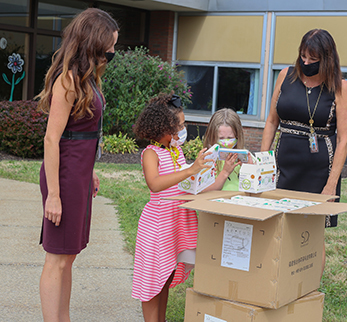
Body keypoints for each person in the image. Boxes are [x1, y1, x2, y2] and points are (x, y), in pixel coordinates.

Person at [36, 8, 118, 321]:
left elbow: (82, 132)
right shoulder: (68, 80)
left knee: (68, 257)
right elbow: (52, 139)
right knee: (56, 258)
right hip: (65, 176)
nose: (111, 52)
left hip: (79, 175)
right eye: (109, 46)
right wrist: (53, 195)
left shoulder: (87, 79)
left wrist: (91, 170)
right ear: (93, 42)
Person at [131, 93, 214, 322]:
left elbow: (184, 183)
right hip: (158, 226)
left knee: (165, 277)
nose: (182, 129)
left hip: (175, 224)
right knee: (152, 280)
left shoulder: (175, 152)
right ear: (162, 126)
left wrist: (203, 173)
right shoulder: (151, 153)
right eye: (179, 125)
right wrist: (189, 170)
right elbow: (155, 184)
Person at [261, 28, 347, 228]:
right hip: (283, 164)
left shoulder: (341, 88)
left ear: (327, 59)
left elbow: (343, 140)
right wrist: (261, 161)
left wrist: (330, 185)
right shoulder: (286, 76)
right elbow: (271, 121)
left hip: (319, 170)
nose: (306, 63)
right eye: (303, 56)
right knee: (276, 225)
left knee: (311, 232)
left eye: (313, 59)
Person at [203, 108, 249, 191]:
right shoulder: (207, 159)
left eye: (230, 138)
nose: (226, 142)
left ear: (238, 136)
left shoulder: (246, 157)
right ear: (212, 136)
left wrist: (249, 169)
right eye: (221, 138)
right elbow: (204, 190)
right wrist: (225, 172)